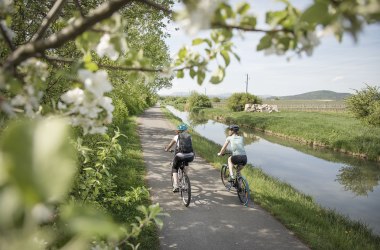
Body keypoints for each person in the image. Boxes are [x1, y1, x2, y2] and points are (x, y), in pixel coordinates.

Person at [165, 123, 194, 192]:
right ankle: (185, 181)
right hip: (190, 155)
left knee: (174, 168)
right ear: (186, 130)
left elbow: (169, 146)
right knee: (186, 164)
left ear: (179, 130)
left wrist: (167, 149)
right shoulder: (190, 137)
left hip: (180, 155)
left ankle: (176, 185)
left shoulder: (176, 137)